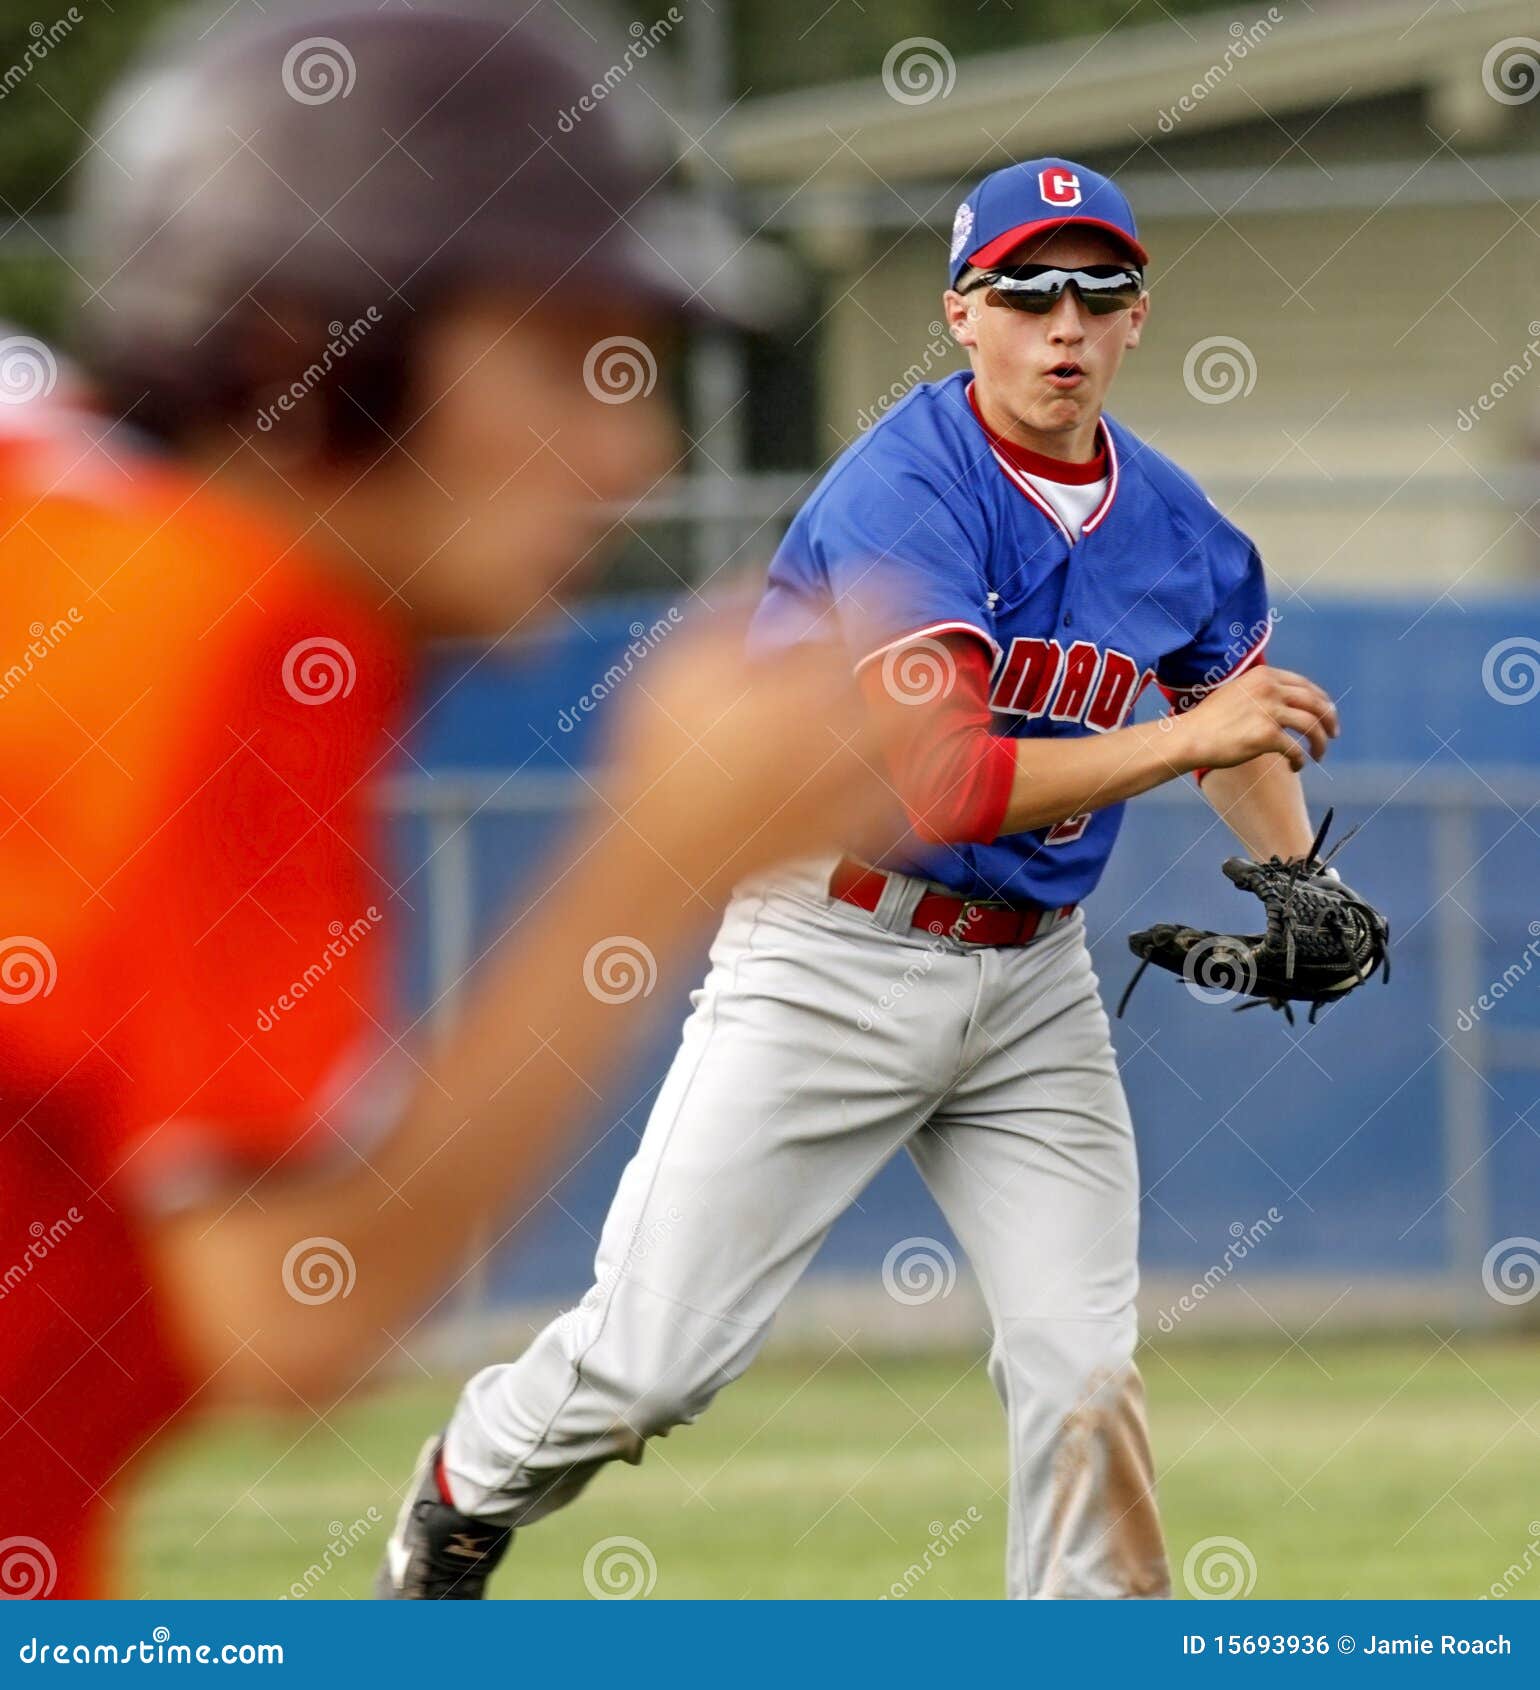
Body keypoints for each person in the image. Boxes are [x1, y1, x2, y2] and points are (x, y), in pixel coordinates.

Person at [0, 2, 879, 1600]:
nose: (637, 449)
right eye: (564, 352)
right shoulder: (213, 625)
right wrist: (667, 851)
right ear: (299, 345)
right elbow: (291, 1306)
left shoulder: (72, 530)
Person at [388, 157, 1344, 1600]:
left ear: (1140, 319)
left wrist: (1303, 886)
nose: (1062, 322)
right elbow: (945, 781)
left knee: (1086, 1371)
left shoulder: (1176, 523)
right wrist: (1184, 734)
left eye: (1097, 291)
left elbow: (1240, 720)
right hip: (833, 946)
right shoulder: (908, 490)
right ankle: (467, 1483)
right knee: (654, 1363)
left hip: (1033, 978)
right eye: (1027, 289)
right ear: (964, 311)